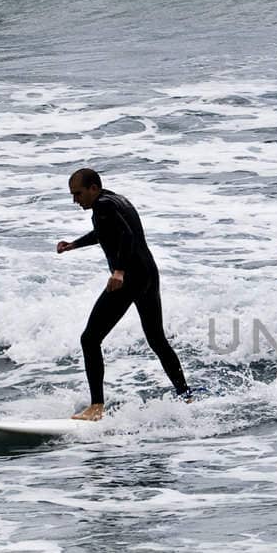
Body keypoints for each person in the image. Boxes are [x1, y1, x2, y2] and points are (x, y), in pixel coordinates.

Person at [57, 168, 191, 419]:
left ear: (93, 188)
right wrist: (74, 244)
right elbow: (106, 233)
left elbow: (126, 236)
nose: (75, 200)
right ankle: (186, 395)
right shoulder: (116, 200)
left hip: (130, 278)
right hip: (148, 274)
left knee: (89, 339)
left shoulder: (103, 207)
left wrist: (118, 272)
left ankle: (96, 407)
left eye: (78, 194)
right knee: (157, 340)